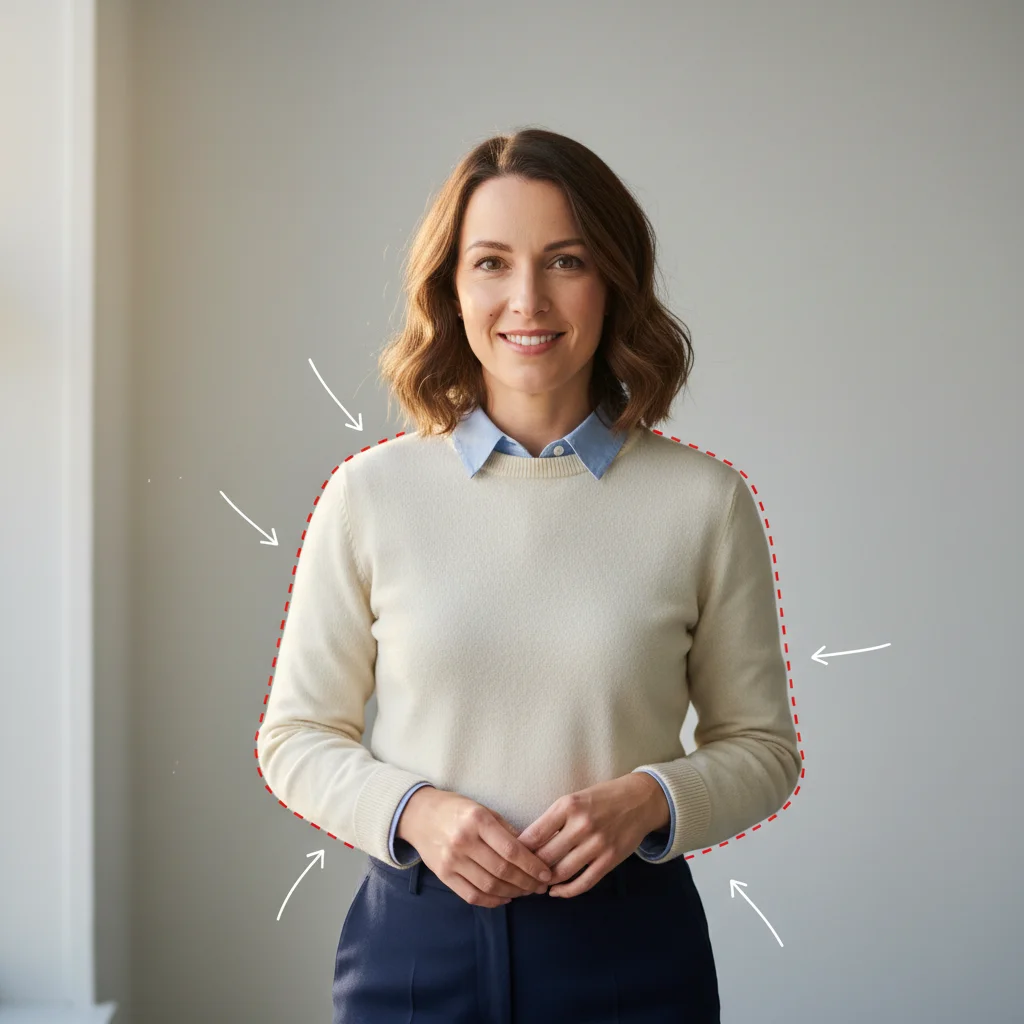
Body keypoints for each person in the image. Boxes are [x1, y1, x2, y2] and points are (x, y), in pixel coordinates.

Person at [257, 127, 802, 1023]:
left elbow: (764, 749)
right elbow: (296, 738)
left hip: (630, 952)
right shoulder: (368, 496)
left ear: (613, 280)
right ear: (451, 288)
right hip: (415, 952)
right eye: (491, 263)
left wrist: (651, 798)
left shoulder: (705, 503)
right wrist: (417, 811)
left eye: (565, 260)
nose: (527, 298)